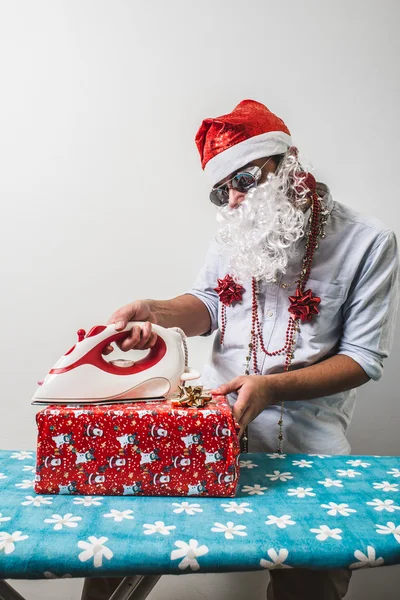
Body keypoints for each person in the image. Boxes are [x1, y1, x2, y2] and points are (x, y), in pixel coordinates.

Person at [81, 99, 399, 600]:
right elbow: (210, 302)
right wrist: (155, 312)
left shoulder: (370, 242)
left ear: (289, 166)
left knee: (311, 585)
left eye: (245, 180)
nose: (232, 200)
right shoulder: (237, 226)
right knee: (117, 555)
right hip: (210, 430)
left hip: (308, 453)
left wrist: (272, 389)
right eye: (220, 191)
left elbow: (362, 358)